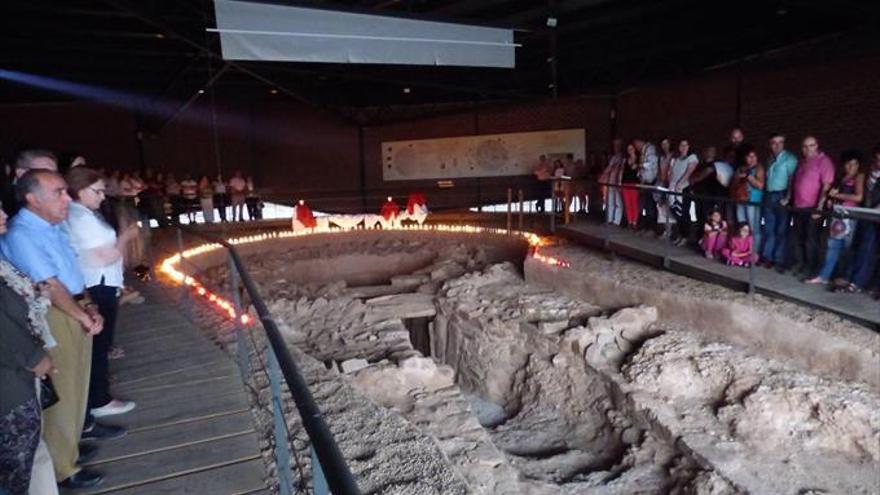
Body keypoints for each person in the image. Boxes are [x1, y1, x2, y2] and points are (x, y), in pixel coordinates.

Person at [0, 169, 106, 489]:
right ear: (33, 198)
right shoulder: (22, 234)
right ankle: (64, 467)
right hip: (58, 315)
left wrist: (88, 305)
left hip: (73, 309)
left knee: (77, 387)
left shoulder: (52, 227)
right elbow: (50, 282)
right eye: (59, 192)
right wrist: (82, 315)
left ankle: (69, 450)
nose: (67, 198)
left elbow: (71, 273)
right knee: (64, 394)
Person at [63, 168, 138, 420]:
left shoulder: (83, 213)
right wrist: (126, 237)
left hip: (100, 280)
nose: (103, 196)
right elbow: (104, 257)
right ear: (81, 190)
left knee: (100, 342)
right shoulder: (81, 218)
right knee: (99, 342)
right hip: (98, 282)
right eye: (98, 191)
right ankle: (99, 399)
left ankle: (98, 394)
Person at [0, 200, 59, 495]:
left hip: (18, 375)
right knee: (17, 469)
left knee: (34, 452)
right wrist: (36, 358)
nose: (3, 215)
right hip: (9, 384)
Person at [787, 136, 835, 277]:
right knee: (798, 238)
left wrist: (820, 207)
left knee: (811, 239)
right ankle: (800, 263)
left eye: (811, 145)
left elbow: (826, 186)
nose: (808, 149)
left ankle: (811, 267)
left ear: (817, 146)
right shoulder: (802, 162)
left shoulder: (824, 162)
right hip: (799, 206)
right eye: (805, 146)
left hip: (813, 207)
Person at [835, 145, 880, 294]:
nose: (879, 162)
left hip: (875, 216)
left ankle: (860, 282)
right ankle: (852, 279)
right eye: (877, 159)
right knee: (860, 247)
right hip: (865, 215)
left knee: (869, 249)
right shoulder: (867, 174)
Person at [760, 133, 798, 269]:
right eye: (773, 143)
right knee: (769, 228)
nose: (776, 145)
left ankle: (779, 259)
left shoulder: (790, 159)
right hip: (770, 194)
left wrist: (788, 197)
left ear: (784, 143)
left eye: (780, 142)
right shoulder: (770, 159)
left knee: (782, 229)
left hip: (782, 194)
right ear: (770, 145)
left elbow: (792, 179)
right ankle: (767, 257)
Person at [730, 146, 765, 251]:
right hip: (740, 199)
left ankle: (755, 253)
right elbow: (732, 185)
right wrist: (737, 177)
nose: (751, 158)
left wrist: (748, 176)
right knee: (742, 226)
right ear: (745, 158)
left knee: (754, 227)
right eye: (749, 156)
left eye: (754, 156)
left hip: (753, 201)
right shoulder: (741, 168)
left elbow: (760, 186)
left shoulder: (759, 168)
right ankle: (743, 250)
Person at [668, 139, 699, 246]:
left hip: (684, 188)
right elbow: (671, 173)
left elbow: (689, 171)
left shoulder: (692, 158)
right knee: (676, 212)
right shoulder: (676, 159)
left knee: (684, 213)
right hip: (674, 188)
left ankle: (686, 236)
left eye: (685, 145)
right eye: (681, 145)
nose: (683, 147)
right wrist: (671, 184)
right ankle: (680, 234)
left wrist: (680, 184)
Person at [633, 139, 658, 232]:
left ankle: (650, 227)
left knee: (649, 205)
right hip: (643, 181)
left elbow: (651, 163)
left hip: (650, 181)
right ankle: (644, 225)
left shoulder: (650, 149)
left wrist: (640, 165)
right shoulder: (643, 151)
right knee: (643, 204)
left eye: (636, 145)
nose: (636, 148)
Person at [600, 140, 624, 225]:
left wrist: (603, 175)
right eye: (614, 145)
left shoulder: (621, 157)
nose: (616, 147)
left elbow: (613, 167)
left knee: (617, 201)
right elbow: (609, 167)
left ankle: (616, 221)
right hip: (610, 180)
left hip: (617, 180)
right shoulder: (614, 157)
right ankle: (609, 219)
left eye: (617, 145)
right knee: (610, 200)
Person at [620, 143, 641, 229]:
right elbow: (622, 171)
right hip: (625, 183)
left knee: (634, 203)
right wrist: (620, 182)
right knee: (627, 203)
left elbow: (641, 171)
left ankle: (635, 221)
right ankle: (630, 221)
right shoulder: (625, 160)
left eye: (631, 148)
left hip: (634, 183)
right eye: (628, 149)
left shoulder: (639, 159)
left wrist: (637, 166)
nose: (630, 150)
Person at [655, 138, 674, 233]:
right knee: (661, 207)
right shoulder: (661, 157)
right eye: (663, 144)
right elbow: (659, 170)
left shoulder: (673, 155)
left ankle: (670, 230)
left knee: (669, 207)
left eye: (666, 144)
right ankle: (665, 230)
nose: (664, 146)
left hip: (670, 184)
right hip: (661, 183)